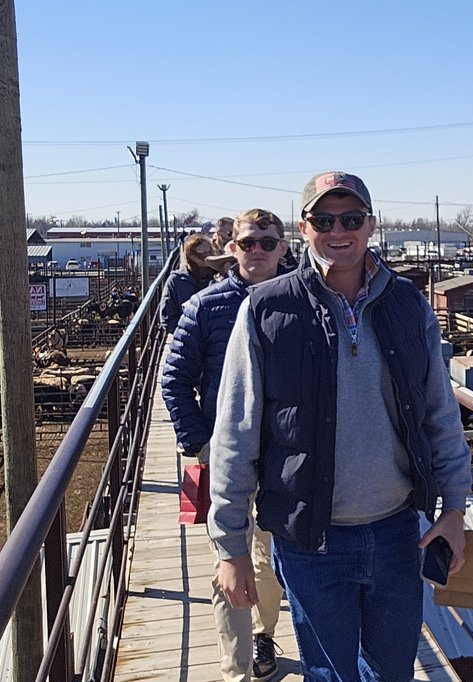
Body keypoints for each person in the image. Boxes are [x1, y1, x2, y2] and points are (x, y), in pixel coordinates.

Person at [207, 171, 472, 680]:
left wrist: (454, 509)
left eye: (351, 218)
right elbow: (235, 434)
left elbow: (440, 415)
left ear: (371, 225)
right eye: (323, 219)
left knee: (392, 671)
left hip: (398, 531)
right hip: (310, 539)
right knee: (330, 674)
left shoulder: (407, 304)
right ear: (303, 228)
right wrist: (231, 547)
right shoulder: (267, 309)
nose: (338, 230)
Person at [161, 209, 290, 681]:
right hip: (226, 453)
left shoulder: (300, 302)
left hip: (282, 455)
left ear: (283, 248)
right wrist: (198, 442)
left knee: (267, 560)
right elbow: (174, 379)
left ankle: (263, 633)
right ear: (231, 249)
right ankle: (235, 668)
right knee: (228, 558)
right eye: (248, 242)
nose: (258, 250)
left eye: (268, 242)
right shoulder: (205, 306)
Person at [158, 233, 215, 335]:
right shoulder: (176, 280)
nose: (207, 256)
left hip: (214, 339)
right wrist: (186, 335)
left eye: (209, 252)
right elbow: (167, 317)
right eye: (202, 252)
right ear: (190, 255)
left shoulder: (218, 278)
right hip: (187, 339)